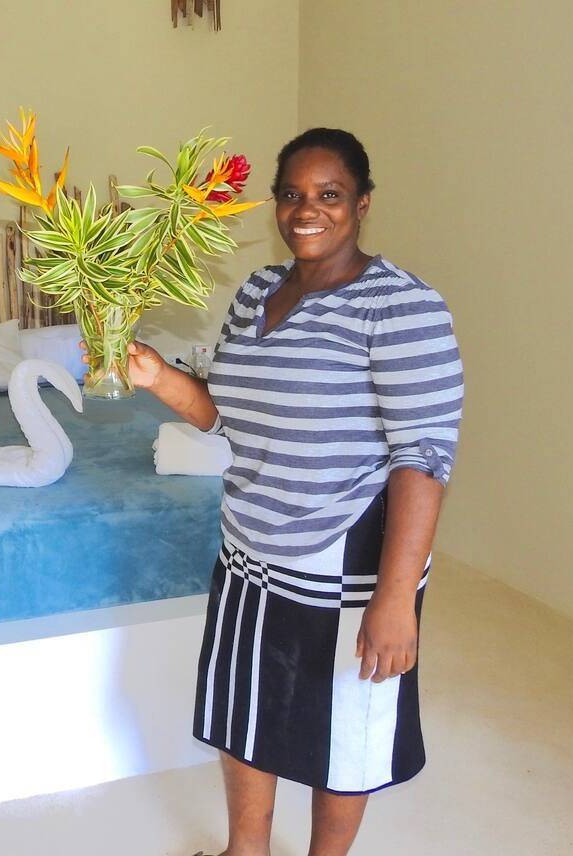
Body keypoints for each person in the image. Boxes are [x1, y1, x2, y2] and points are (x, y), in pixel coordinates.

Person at [129, 128, 464, 856]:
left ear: (362, 203)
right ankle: (245, 851)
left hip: (345, 551)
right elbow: (227, 413)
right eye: (292, 194)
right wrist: (157, 377)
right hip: (250, 542)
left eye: (329, 194)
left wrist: (395, 599)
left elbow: (424, 457)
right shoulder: (258, 291)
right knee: (245, 710)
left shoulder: (400, 306)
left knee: (344, 726)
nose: (306, 210)